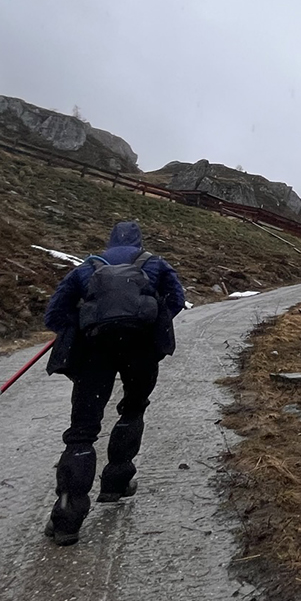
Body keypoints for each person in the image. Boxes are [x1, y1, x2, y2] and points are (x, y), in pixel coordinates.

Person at [41, 220, 186, 546]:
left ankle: (67, 517)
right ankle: (116, 482)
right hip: (142, 353)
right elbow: (176, 300)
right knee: (133, 410)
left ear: (109, 241)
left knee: (82, 431)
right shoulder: (156, 264)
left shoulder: (88, 267)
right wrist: (147, 321)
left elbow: (55, 314)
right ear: (139, 240)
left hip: (96, 354)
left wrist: (86, 322)